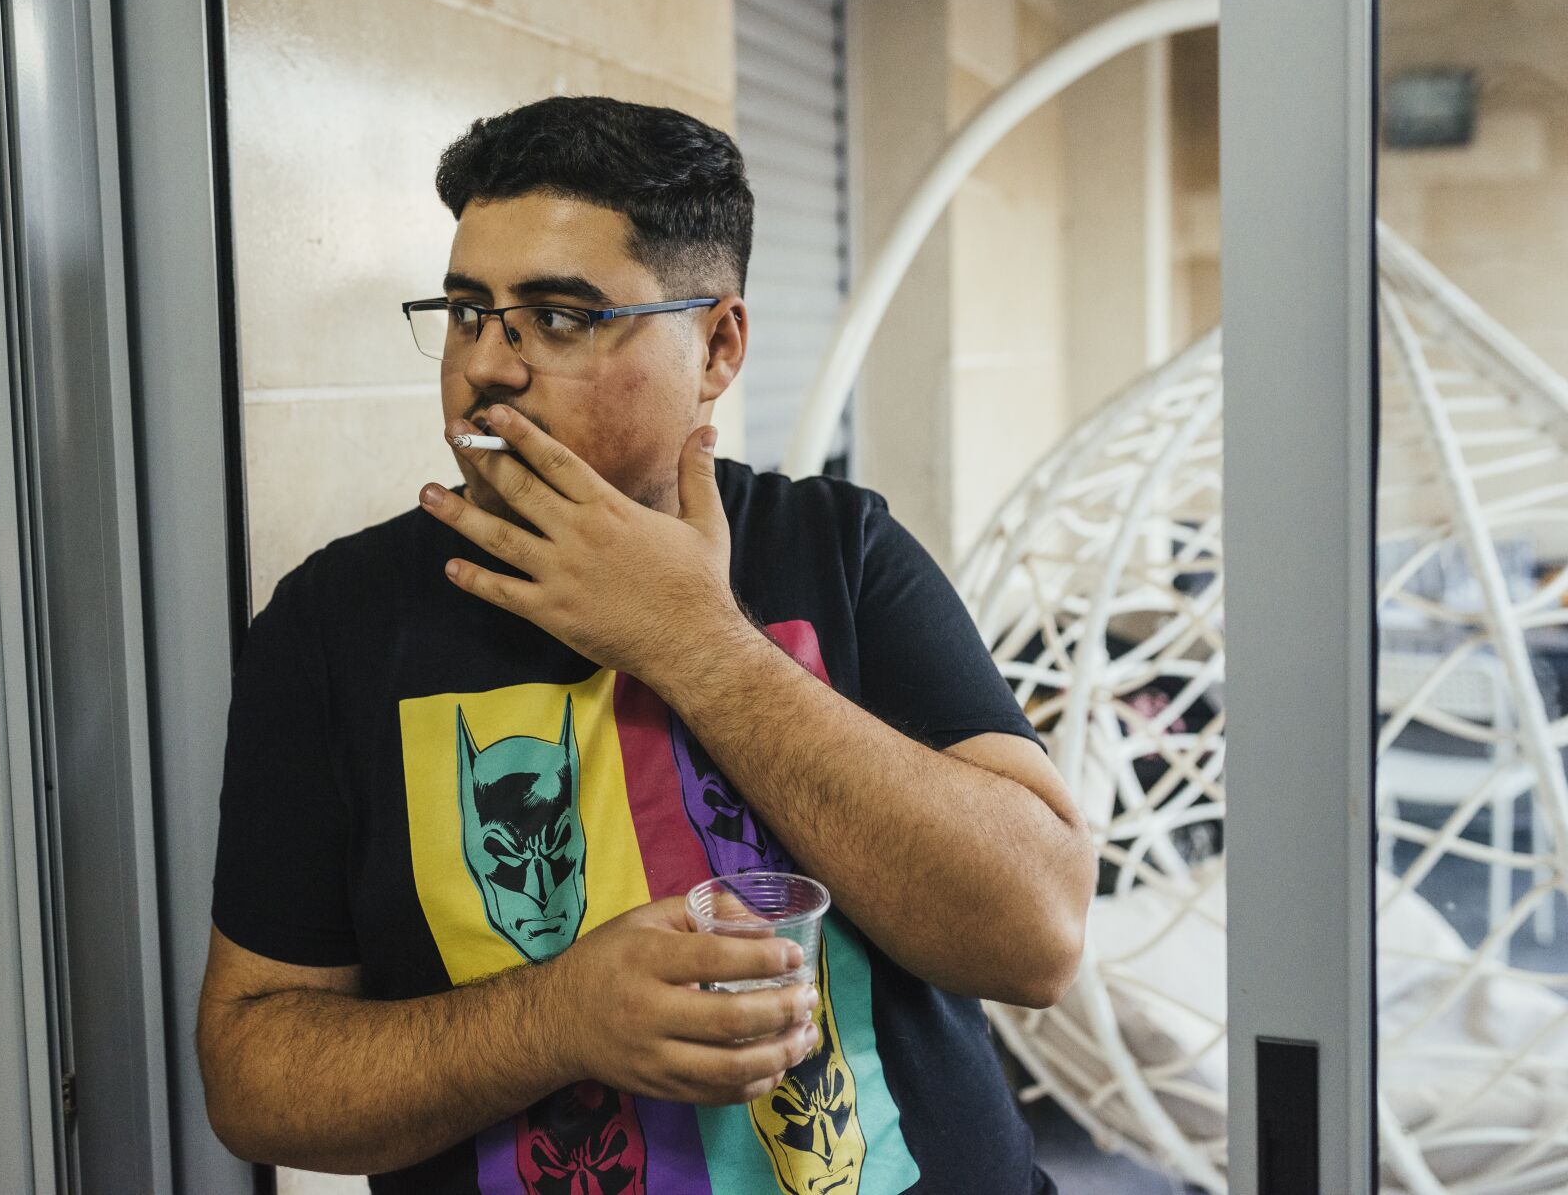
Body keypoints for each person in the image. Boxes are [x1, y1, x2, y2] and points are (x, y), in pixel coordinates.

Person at [198, 95, 1095, 1194]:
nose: (488, 365)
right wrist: (555, 1020)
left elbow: (1037, 935)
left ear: (717, 345)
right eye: (469, 311)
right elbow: (250, 1078)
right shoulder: (333, 626)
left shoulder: (835, 551)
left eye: (558, 317)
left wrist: (700, 645)